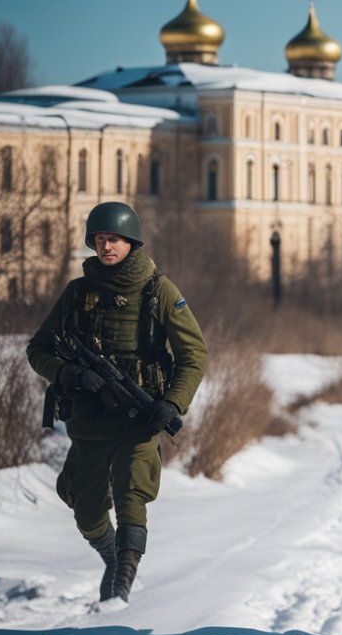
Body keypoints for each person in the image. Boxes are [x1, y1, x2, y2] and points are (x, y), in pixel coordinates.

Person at [26, 201, 207, 603]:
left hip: (139, 419)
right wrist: (72, 374)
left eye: (115, 240)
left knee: (132, 495)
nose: (107, 247)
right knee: (87, 512)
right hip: (90, 421)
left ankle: (123, 580)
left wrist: (172, 403)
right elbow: (38, 349)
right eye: (101, 240)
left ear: (132, 242)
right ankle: (111, 556)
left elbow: (194, 355)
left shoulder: (159, 290)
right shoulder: (78, 293)